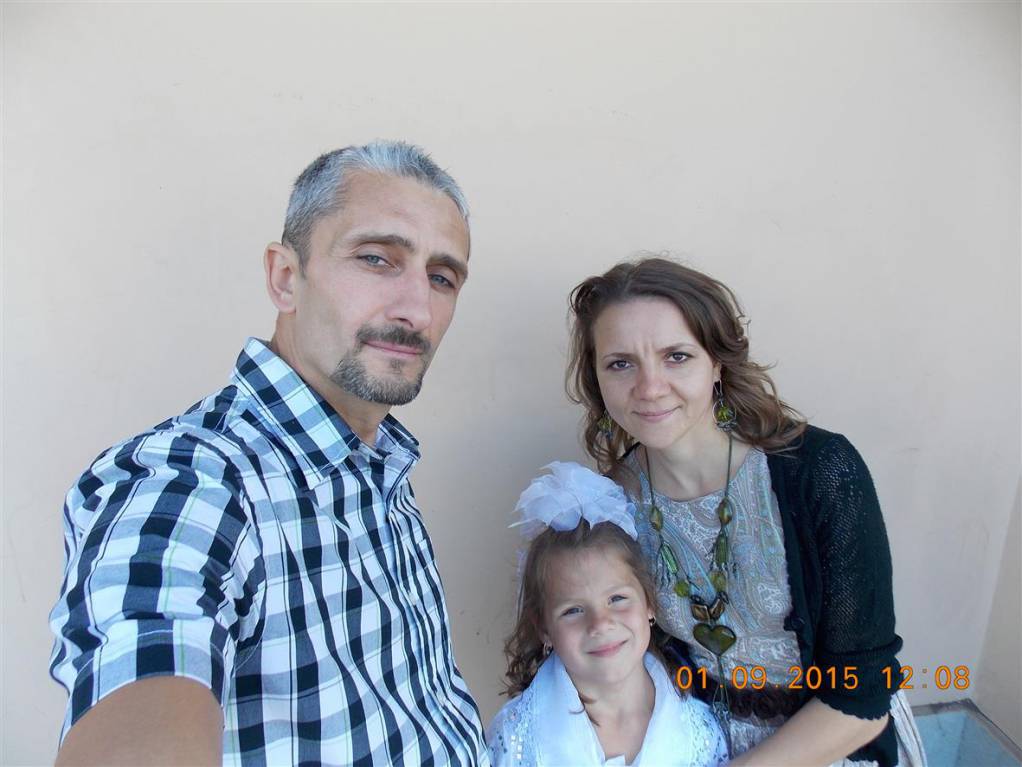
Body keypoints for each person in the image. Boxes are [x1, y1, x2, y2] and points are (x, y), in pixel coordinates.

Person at [48, 141, 488, 766]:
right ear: (286, 278)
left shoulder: (381, 461)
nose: (417, 309)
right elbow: (147, 672)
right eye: (376, 259)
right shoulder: (191, 479)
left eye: (442, 278)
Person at [564, 258, 927, 767]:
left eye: (676, 356)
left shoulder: (820, 472)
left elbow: (863, 696)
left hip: (834, 743)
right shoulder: (608, 505)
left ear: (717, 364)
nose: (649, 387)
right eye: (620, 363)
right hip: (697, 745)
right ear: (597, 379)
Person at [488, 462, 728, 767]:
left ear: (649, 603)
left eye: (617, 599)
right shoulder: (514, 740)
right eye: (573, 610)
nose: (600, 624)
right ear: (544, 627)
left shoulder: (699, 733)